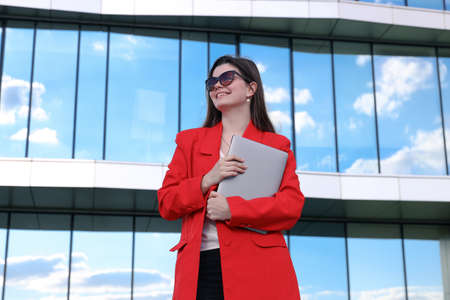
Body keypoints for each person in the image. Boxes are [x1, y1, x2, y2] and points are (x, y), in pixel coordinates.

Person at [157, 55, 305, 300]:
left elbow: (291, 206)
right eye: (212, 81)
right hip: (201, 270)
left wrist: (232, 209)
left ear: (251, 88)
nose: (217, 85)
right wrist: (206, 180)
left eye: (226, 78)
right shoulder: (189, 142)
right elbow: (166, 202)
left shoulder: (277, 146)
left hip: (261, 268)